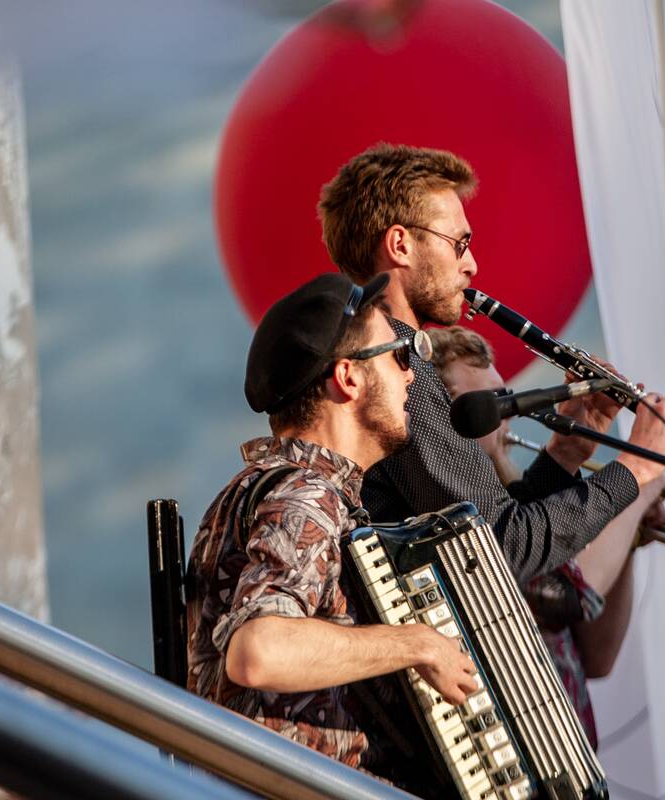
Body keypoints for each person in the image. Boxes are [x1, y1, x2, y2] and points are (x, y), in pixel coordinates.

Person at [316, 143, 665, 582]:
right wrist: (639, 467)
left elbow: (497, 522)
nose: (472, 265)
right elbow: (502, 549)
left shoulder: (396, 363)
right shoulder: (398, 375)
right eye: (459, 244)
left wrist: (566, 454)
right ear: (401, 244)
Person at [184, 272, 477, 785]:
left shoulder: (280, 488)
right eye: (398, 356)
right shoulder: (306, 494)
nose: (411, 376)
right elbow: (259, 652)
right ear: (348, 378)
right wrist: (418, 644)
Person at [427, 325, 665, 747]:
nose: (507, 415)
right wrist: (639, 484)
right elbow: (563, 594)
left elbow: (598, 657)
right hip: (510, 748)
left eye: (505, 398)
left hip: (566, 749)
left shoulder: (519, 502)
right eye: (490, 402)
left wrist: (628, 538)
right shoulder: (465, 512)